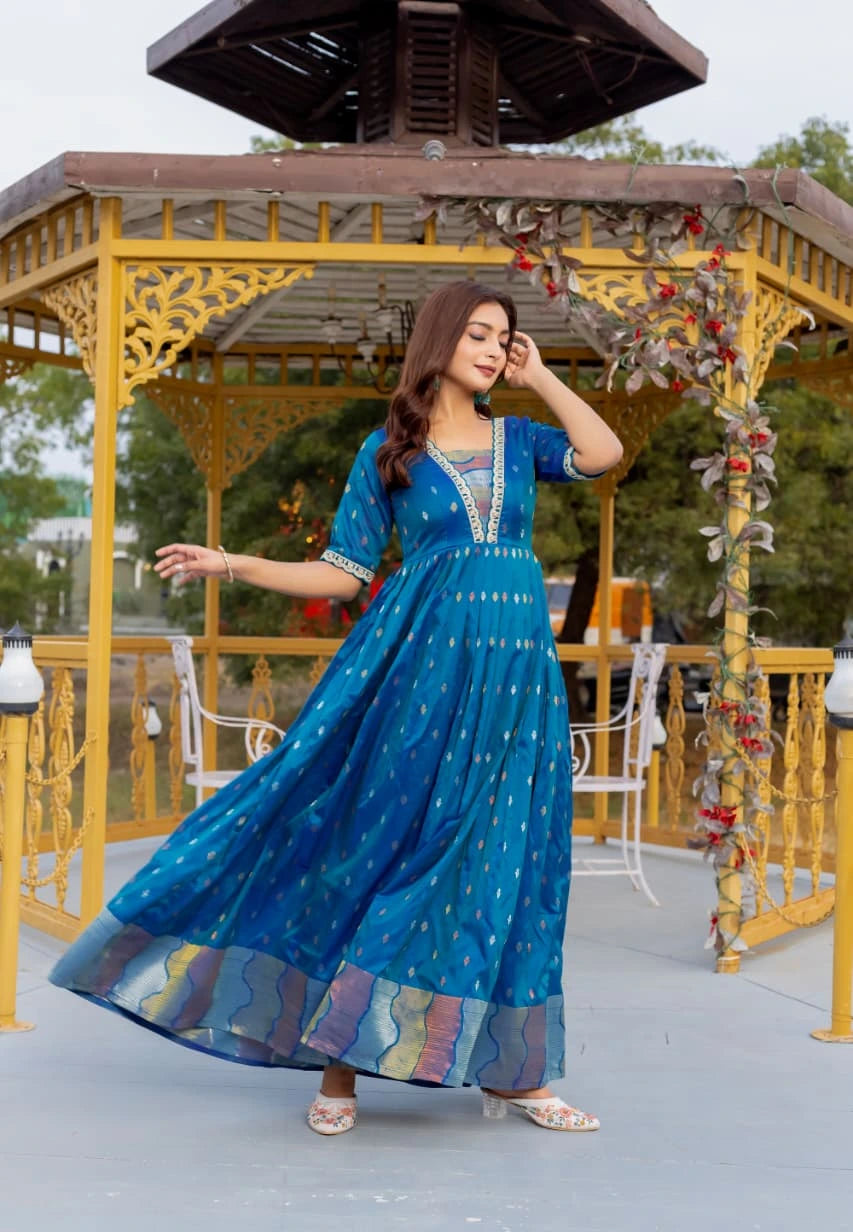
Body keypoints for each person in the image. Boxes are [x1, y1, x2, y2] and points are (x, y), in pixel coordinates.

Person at [50, 280, 623, 1136]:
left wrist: (541, 376)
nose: (494, 348)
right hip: (419, 682)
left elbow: (603, 453)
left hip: (514, 690)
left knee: (511, 862)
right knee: (381, 851)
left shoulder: (520, 439)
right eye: (478, 333)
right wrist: (232, 563)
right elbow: (343, 574)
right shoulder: (388, 453)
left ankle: (515, 1074)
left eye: (504, 337)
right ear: (438, 341)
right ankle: (342, 1066)